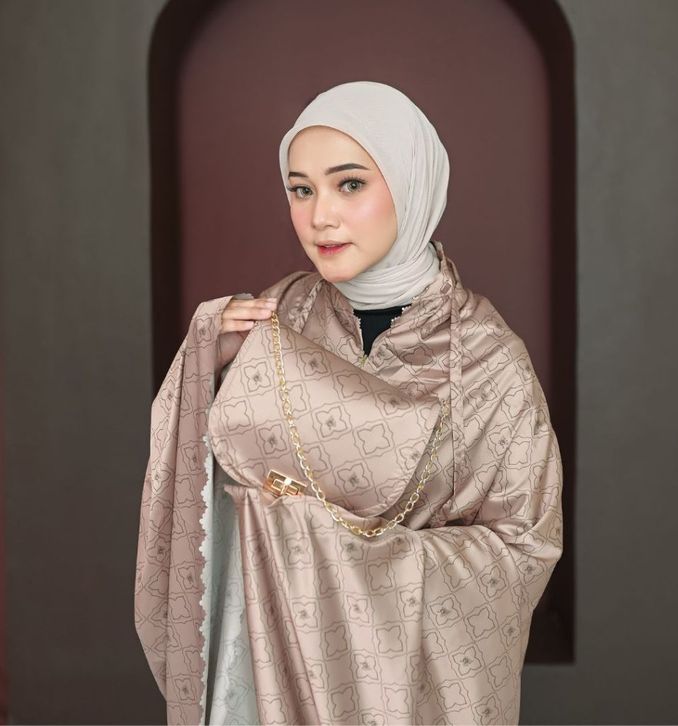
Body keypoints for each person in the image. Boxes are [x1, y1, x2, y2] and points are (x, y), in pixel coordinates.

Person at [135, 80, 564, 726]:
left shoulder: (485, 359)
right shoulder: (279, 315)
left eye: (350, 184)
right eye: (301, 190)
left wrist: (355, 558)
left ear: (411, 183)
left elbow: (524, 548)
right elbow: (207, 513)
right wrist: (205, 367)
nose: (320, 217)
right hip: (275, 679)